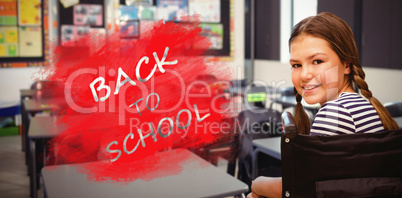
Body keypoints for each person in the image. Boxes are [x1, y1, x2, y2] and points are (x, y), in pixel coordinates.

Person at [247, 12, 399, 198]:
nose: (304, 75)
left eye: (317, 61)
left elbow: (298, 188)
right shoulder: (360, 104)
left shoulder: (335, 113)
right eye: (296, 65)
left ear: (346, 65)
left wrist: (257, 184)